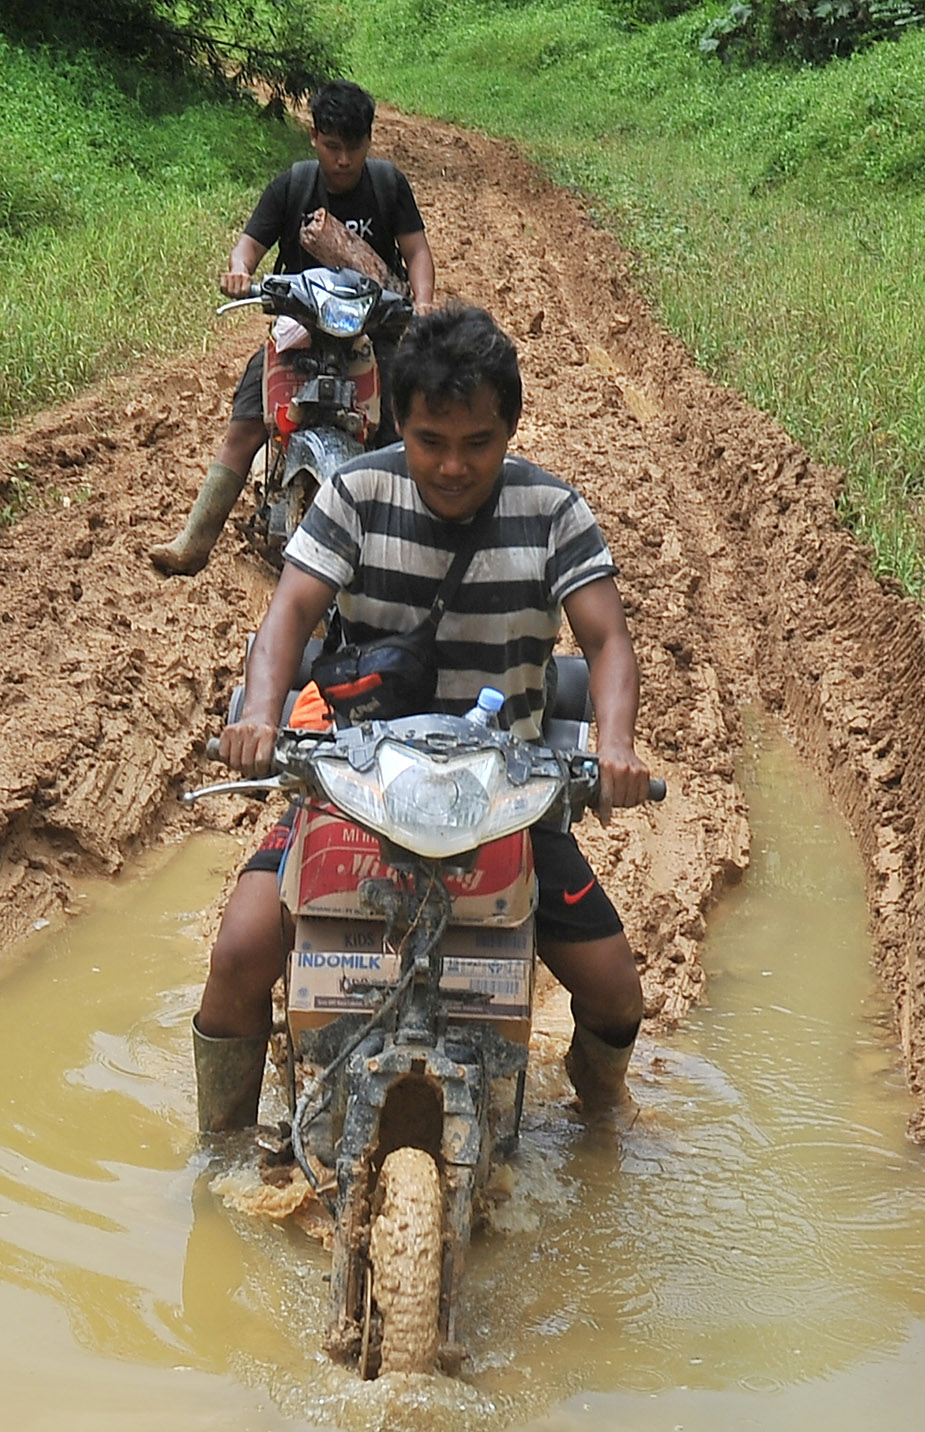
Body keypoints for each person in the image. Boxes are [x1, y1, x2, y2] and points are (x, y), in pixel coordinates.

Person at [194, 304, 656, 1136]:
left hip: (506, 790)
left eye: (478, 443)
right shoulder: (354, 493)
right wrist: (260, 716)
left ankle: (600, 1120)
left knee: (615, 989)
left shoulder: (555, 514)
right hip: (357, 783)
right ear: (398, 422)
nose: (452, 466)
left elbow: (608, 640)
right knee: (237, 957)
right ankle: (219, 1149)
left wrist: (614, 748)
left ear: (510, 428)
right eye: (430, 441)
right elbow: (287, 618)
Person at [145, 80, 437, 578]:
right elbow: (249, 246)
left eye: (354, 147)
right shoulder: (293, 186)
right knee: (246, 424)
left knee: (399, 432)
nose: (343, 160)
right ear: (315, 138)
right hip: (297, 329)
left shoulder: (388, 186)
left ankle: (411, 547)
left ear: (369, 141)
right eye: (332, 146)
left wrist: (424, 301)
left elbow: (416, 251)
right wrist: (240, 269)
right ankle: (195, 539)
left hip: (371, 330)